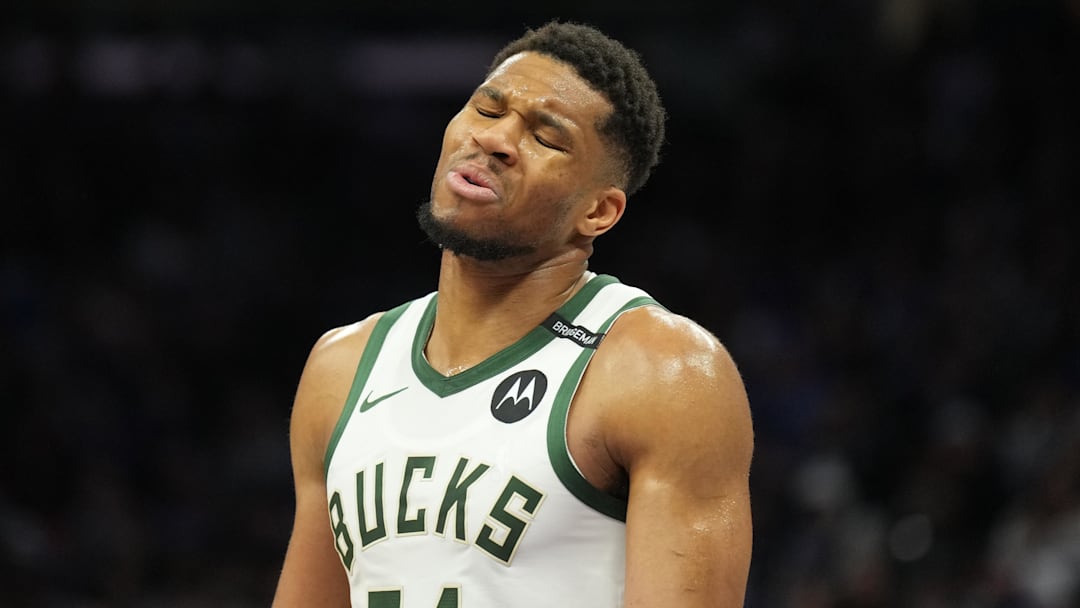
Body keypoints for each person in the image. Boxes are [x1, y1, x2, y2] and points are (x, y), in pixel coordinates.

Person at [272, 21, 753, 608]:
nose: (496, 140)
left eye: (546, 138)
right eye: (486, 108)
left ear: (598, 213)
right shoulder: (340, 368)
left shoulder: (662, 373)